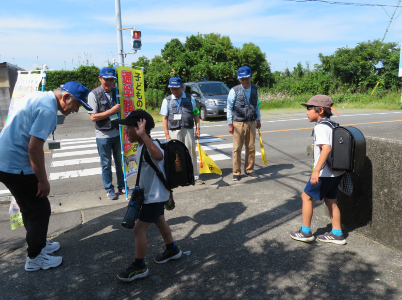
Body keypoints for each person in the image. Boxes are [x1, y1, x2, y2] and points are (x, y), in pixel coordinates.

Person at [0, 81, 92, 271]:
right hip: (16, 165)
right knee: (39, 210)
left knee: (30, 207)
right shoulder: (48, 110)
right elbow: (34, 148)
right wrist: (42, 180)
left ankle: (38, 243)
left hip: (6, 160)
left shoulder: (37, 96)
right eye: (78, 105)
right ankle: (35, 257)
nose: (76, 110)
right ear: (66, 98)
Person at [114, 109, 182, 282]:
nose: (126, 132)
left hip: (155, 196)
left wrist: (144, 135)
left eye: (128, 128)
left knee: (138, 229)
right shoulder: (141, 146)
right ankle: (172, 250)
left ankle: (139, 266)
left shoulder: (151, 145)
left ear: (139, 128)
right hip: (153, 195)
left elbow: (159, 155)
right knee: (160, 222)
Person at [290, 95, 346, 245]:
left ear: (320, 110)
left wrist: (316, 171)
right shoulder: (332, 125)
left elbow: (326, 149)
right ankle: (337, 234)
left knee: (306, 197)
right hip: (337, 172)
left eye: (309, 109)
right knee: (331, 201)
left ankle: (305, 232)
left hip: (325, 173)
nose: (307, 112)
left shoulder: (320, 127)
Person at [87, 67, 132, 200]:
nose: (109, 82)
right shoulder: (93, 94)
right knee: (106, 164)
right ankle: (109, 189)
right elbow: (93, 117)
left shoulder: (116, 92)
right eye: (106, 79)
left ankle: (122, 186)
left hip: (117, 133)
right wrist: (112, 111)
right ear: (100, 79)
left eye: (111, 79)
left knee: (120, 161)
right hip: (103, 136)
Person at [160, 77, 203, 184]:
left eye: (176, 88)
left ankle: (194, 176)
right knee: (175, 154)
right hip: (174, 131)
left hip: (188, 129)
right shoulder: (167, 100)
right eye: (171, 89)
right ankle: (177, 177)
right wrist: (167, 134)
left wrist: (198, 128)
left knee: (190, 152)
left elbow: (196, 113)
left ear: (182, 88)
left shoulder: (190, 98)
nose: (173, 91)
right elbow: (164, 118)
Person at [227, 66, 261, 181]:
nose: (245, 81)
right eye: (242, 79)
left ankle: (249, 170)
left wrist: (258, 119)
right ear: (239, 79)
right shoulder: (234, 90)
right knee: (237, 148)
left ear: (251, 77)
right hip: (238, 123)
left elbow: (257, 105)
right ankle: (236, 172)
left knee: (251, 147)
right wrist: (230, 123)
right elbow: (229, 107)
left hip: (251, 122)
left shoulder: (255, 89)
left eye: (247, 78)